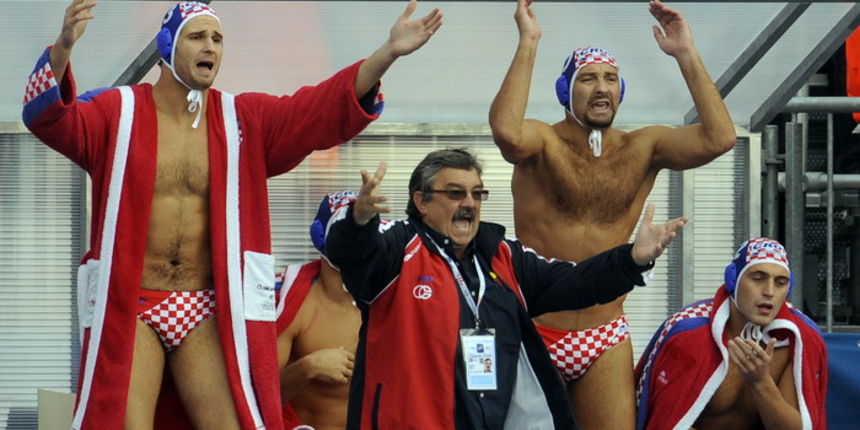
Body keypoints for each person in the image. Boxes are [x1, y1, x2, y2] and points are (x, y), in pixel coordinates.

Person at [22, 0, 441, 428]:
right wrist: (63, 49)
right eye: (198, 37)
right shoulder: (119, 112)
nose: (211, 47)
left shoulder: (243, 121)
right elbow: (51, 120)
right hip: (134, 305)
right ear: (166, 45)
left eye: (218, 39)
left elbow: (318, 109)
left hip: (205, 308)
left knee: (234, 422)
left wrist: (387, 53)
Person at [488, 1, 736, 427]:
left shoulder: (641, 147)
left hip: (604, 334)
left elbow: (720, 138)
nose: (602, 87)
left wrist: (686, 54)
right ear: (565, 91)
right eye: (588, 78)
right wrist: (529, 41)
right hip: (536, 327)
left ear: (622, 91)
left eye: (611, 78)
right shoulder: (543, 143)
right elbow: (507, 133)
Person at [325, 148, 686, 429]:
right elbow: (354, 255)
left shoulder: (503, 256)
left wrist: (631, 259)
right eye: (455, 193)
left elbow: (574, 283)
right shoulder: (398, 246)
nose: (469, 204)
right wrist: (359, 221)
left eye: (477, 194)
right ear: (421, 202)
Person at [634, 238, 828, 430]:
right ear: (732, 280)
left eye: (780, 282)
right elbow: (666, 423)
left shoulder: (798, 339)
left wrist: (761, 382)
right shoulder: (690, 334)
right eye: (758, 278)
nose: (769, 292)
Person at [274, 191, 364, 430]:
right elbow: (260, 398)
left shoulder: (391, 297)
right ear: (320, 235)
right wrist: (308, 367)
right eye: (348, 230)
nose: (358, 240)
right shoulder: (294, 303)